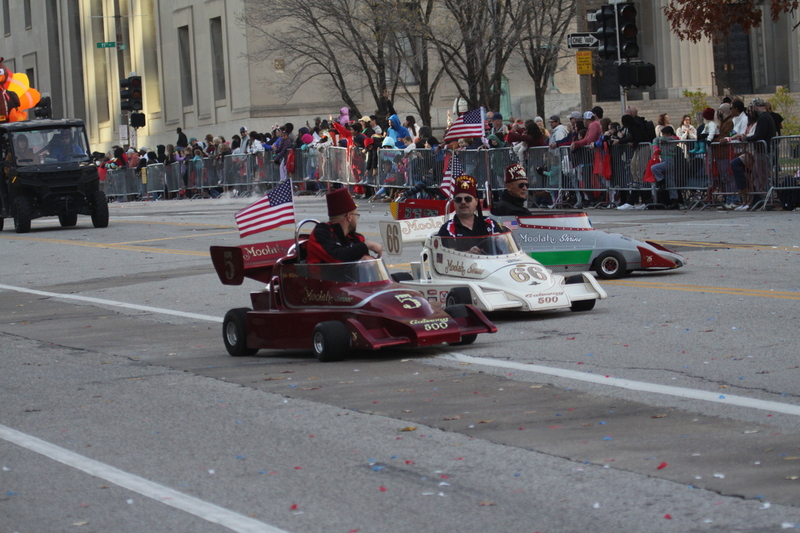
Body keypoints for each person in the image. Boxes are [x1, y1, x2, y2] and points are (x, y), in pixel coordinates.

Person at [306, 188, 383, 263]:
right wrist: (366, 245)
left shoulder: (356, 238)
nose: (357, 219)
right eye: (356, 215)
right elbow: (337, 258)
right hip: (321, 275)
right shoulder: (321, 232)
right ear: (349, 217)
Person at [438, 175, 508, 254]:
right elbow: (448, 256)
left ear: (476, 202)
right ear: (454, 203)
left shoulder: (490, 224)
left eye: (468, 199)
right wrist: (469, 253)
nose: (463, 202)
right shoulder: (447, 229)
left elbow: (507, 248)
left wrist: (501, 239)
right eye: (458, 199)